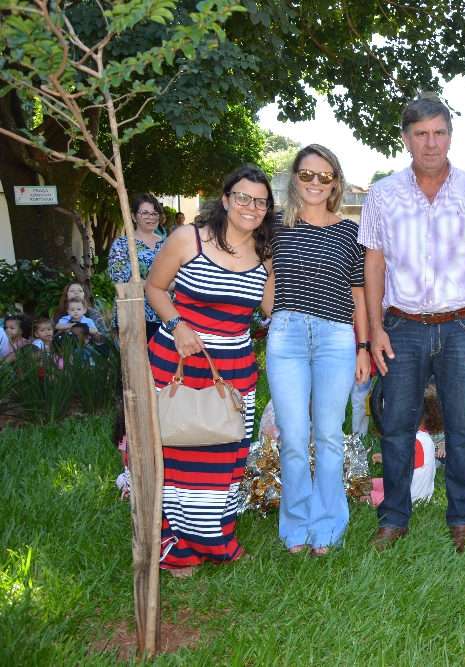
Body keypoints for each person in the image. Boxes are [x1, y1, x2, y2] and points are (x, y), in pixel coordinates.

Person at [359, 92, 465, 554]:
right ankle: (394, 518)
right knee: (397, 426)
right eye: (420, 134)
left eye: (439, 132)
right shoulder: (383, 194)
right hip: (401, 326)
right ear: (405, 139)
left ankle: (462, 518)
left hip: (463, 325)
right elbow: (374, 265)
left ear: (450, 137)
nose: (430, 143)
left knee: (462, 428)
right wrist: (376, 330)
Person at [145, 164, 275, 577]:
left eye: (260, 201)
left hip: (233, 368)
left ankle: (218, 542)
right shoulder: (189, 238)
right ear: (225, 199)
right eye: (242, 197)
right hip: (178, 361)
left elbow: (273, 310)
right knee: (174, 451)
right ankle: (173, 547)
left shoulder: (265, 253)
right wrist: (176, 324)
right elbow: (154, 287)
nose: (250, 207)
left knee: (225, 456)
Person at [267, 144, 369, 557]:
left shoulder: (350, 232)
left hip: (336, 338)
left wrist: (363, 348)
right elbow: (266, 278)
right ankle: (295, 525)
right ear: (295, 179)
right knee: (293, 436)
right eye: (306, 174)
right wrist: (274, 316)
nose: (314, 182)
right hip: (287, 337)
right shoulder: (275, 227)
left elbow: (359, 295)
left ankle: (326, 527)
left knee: (328, 435)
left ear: (336, 183)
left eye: (324, 176)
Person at [371, 387, 443, 506]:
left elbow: (399, 465)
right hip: (417, 491)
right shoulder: (424, 437)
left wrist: (383, 459)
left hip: (410, 497)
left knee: (366, 495)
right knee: (372, 483)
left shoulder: (416, 441)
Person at [108, 194, 166, 342]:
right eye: (144, 213)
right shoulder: (122, 245)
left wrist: (143, 283)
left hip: (166, 313)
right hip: (133, 313)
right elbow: (122, 281)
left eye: (155, 213)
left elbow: (178, 279)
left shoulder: (168, 244)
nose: (151, 217)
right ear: (134, 216)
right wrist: (161, 285)